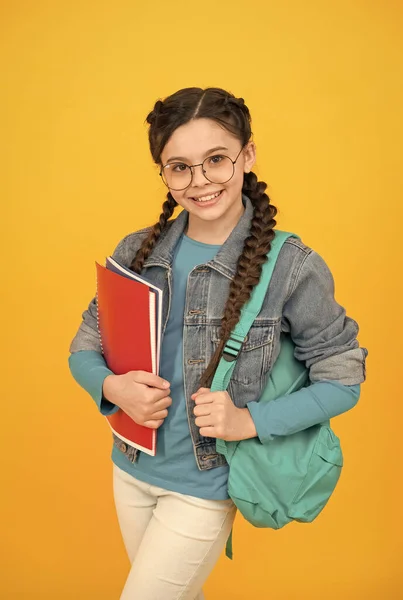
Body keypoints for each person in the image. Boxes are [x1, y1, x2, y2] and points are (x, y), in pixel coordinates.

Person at [68, 86, 368, 600]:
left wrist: (250, 421)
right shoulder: (137, 251)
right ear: (163, 173)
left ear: (247, 155)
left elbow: (343, 378)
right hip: (131, 467)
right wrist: (113, 388)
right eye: (179, 166)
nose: (200, 181)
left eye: (216, 160)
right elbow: (84, 346)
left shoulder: (292, 267)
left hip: (204, 484)